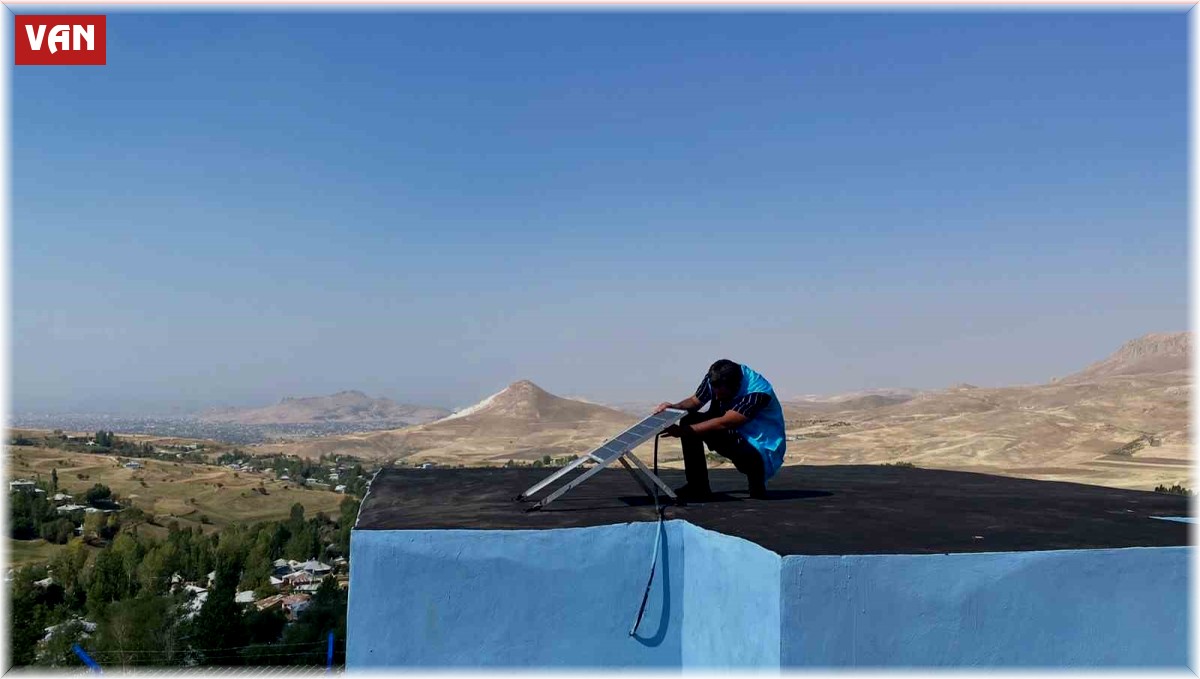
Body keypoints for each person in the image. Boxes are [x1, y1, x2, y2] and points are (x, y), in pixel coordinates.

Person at [655, 359, 787, 501]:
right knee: (689, 419)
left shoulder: (758, 393)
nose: (717, 397)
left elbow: (725, 422)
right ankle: (698, 487)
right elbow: (695, 402)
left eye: (722, 395)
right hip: (733, 431)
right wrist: (674, 407)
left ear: (736, 387)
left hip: (761, 446)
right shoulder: (716, 377)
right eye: (715, 393)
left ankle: (757, 483)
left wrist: (683, 431)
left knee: (691, 428)